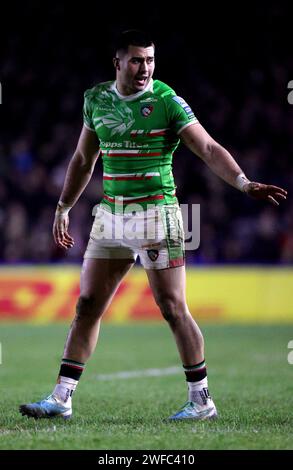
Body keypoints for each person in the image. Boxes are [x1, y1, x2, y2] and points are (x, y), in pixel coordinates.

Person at [19, 30, 287, 421]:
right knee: (87, 304)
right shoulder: (96, 99)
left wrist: (244, 183)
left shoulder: (165, 100)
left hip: (157, 215)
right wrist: (63, 206)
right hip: (111, 216)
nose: (144, 68)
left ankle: (201, 401)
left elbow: (208, 147)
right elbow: (82, 160)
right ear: (118, 62)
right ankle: (62, 398)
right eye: (136, 60)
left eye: (149, 60)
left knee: (172, 307)